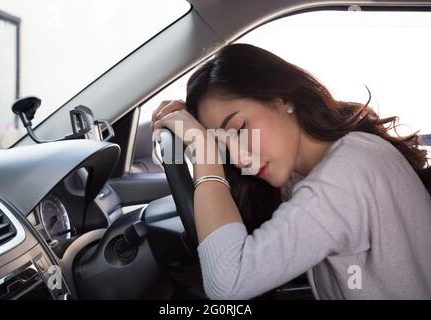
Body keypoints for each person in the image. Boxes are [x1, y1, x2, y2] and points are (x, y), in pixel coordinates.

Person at [150, 43, 431, 300]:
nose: (238, 160)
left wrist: (204, 153)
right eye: (223, 146)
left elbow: (227, 283)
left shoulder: (347, 174)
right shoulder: (313, 169)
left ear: (282, 99)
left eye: (238, 130)